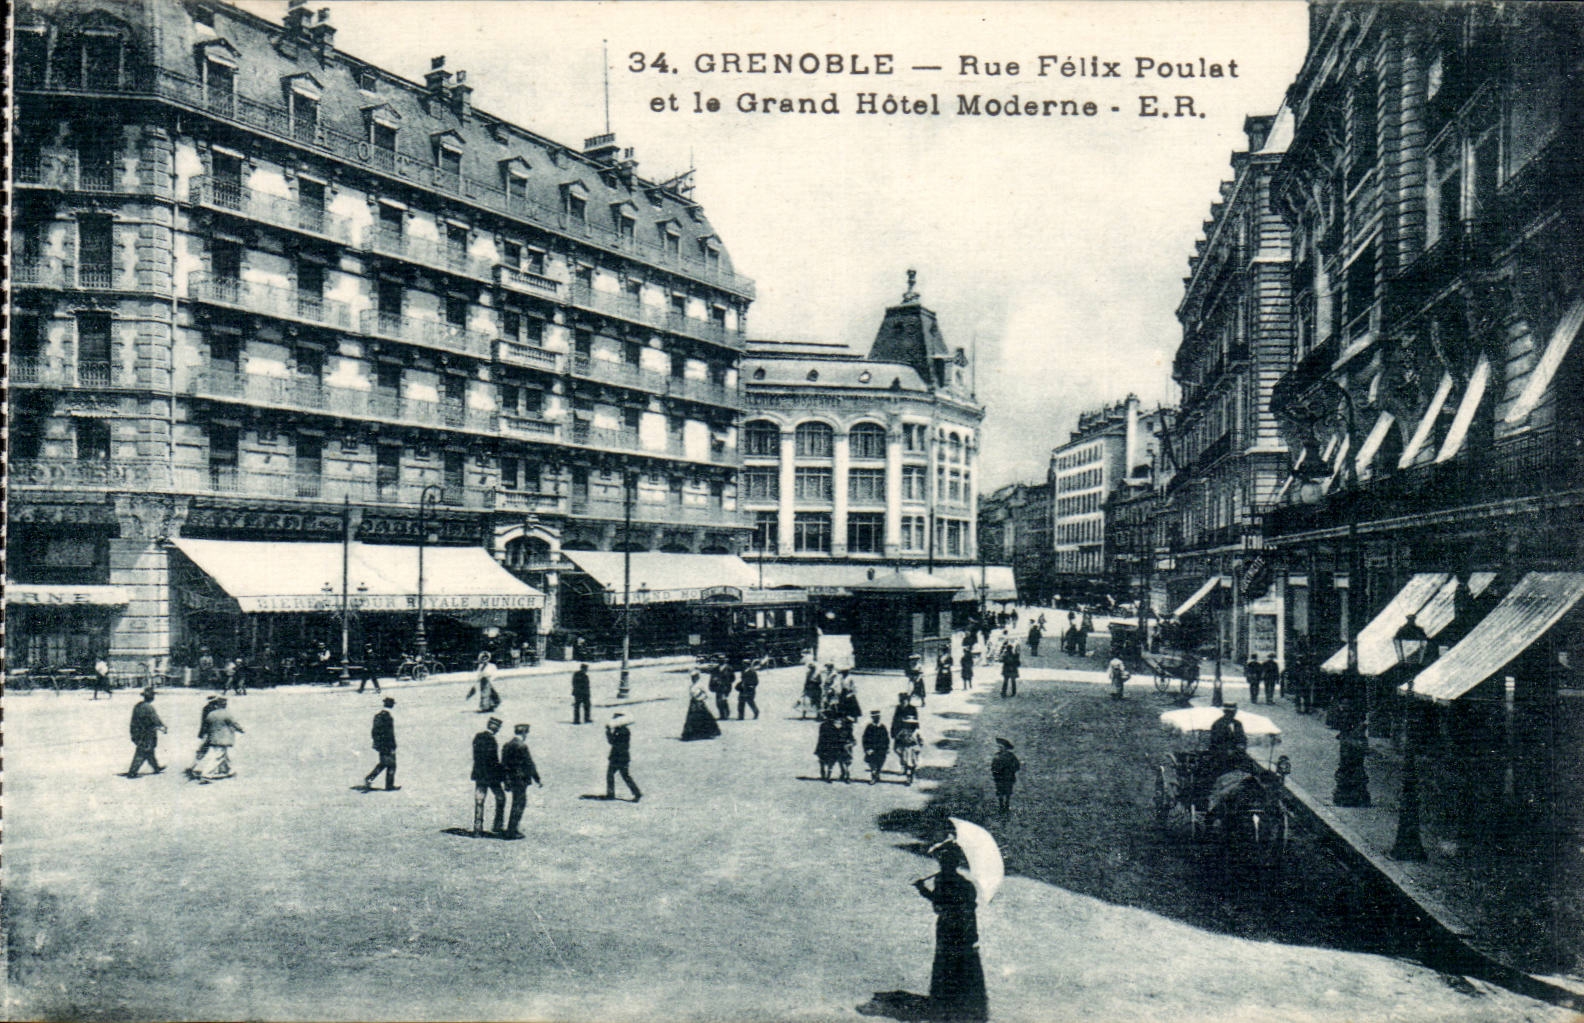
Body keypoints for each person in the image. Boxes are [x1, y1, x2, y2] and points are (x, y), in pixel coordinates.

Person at [913, 841, 988, 1023]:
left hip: (949, 928)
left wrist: (923, 890)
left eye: (944, 862)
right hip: (961, 929)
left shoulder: (944, 881)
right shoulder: (964, 884)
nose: (943, 865)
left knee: (947, 962)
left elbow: (939, 905)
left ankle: (946, 1001)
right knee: (958, 963)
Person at [500, 723, 542, 840]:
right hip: (521, 779)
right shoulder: (522, 746)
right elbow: (529, 764)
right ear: (523, 733)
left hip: (511, 779)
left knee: (515, 803)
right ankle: (512, 831)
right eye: (526, 733)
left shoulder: (507, 745)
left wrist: (506, 780)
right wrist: (537, 779)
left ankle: (511, 829)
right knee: (519, 804)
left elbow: (503, 765)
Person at [471, 717, 506, 837]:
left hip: (479, 774)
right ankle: (497, 826)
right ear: (495, 727)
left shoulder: (478, 737)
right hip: (491, 776)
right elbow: (493, 760)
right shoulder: (491, 740)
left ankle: (477, 829)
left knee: (479, 800)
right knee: (500, 797)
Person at [195, 697, 243, 781]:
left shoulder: (211, 714)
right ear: (224, 705)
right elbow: (234, 723)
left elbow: (206, 725)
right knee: (218, 757)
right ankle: (206, 774)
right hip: (223, 739)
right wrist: (241, 730)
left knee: (224, 755)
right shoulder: (227, 714)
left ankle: (230, 771)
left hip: (213, 738)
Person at [125, 687, 167, 777]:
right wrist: (163, 727)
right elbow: (155, 719)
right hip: (145, 733)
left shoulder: (138, 705)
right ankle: (132, 772)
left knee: (149, 751)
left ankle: (156, 767)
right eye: (153, 695)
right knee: (142, 752)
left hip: (137, 732)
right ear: (151, 697)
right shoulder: (148, 707)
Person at [363, 697, 398, 791]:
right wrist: (392, 746)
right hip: (387, 744)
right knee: (391, 765)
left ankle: (370, 778)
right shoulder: (387, 717)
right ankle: (389, 785)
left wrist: (376, 743)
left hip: (381, 744)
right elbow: (390, 734)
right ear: (391, 705)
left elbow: (374, 731)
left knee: (384, 763)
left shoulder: (378, 715)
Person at [604, 712, 641, 802]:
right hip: (624, 756)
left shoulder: (620, 731)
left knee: (611, 774)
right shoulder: (624, 730)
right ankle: (636, 793)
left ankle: (611, 794)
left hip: (617, 757)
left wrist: (608, 732)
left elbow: (612, 741)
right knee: (625, 775)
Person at [187, 693, 226, 777]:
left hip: (206, 732)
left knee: (206, 750)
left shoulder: (206, 708)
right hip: (209, 733)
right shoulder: (212, 709)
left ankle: (223, 769)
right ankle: (193, 767)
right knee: (207, 749)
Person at [1206, 703, 1248, 777]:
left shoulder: (1238, 723)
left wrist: (1242, 744)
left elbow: (1242, 737)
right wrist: (1227, 750)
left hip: (1237, 753)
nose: (1232, 714)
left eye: (1233, 712)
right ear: (1225, 712)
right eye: (1229, 712)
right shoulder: (1218, 724)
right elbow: (1216, 741)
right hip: (1221, 755)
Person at [681, 672, 723, 741]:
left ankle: (707, 733)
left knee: (704, 717)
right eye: (692, 677)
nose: (693, 679)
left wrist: (701, 698)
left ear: (697, 677)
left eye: (695, 677)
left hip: (700, 703)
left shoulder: (700, 685)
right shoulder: (691, 686)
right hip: (693, 703)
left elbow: (706, 694)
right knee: (692, 718)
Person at [990, 737, 1021, 813]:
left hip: (1008, 777)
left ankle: (1007, 804)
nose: (999, 749)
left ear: (1006, 748)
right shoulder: (997, 756)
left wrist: (1011, 771)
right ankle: (1001, 805)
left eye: (1001, 747)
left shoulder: (1011, 756)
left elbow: (1017, 766)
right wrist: (995, 772)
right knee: (1000, 790)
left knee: (1008, 791)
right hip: (999, 777)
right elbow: (993, 766)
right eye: (999, 747)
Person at [815, 710, 846, 783]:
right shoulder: (826, 725)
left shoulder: (825, 725)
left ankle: (827, 775)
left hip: (828, 745)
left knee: (829, 761)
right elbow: (822, 736)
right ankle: (826, 775)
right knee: (827, 761)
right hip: (826, 745)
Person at [861, 710, 889, 784]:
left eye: (878, 717)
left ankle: (877, 773)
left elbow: (886, 738)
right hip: (872, 748)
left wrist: (887, 748)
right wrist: (867, 749)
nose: (876, 718)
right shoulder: (869, 727)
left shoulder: (883, 727)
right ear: (872, 718)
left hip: (881, 749)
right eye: (874, 717)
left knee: (880, 762)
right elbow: (865, 738)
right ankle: (873, 776)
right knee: (872, 763)